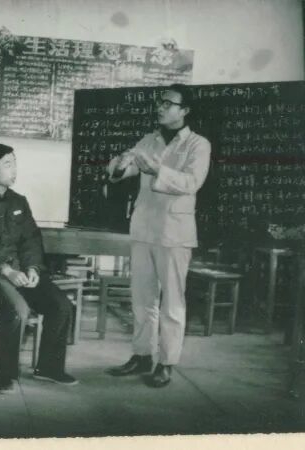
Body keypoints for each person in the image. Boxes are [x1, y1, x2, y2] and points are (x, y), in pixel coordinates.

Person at [105, 84, 211, 388]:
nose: (160, 107)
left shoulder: (198, 144)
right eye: (160, 102)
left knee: (172, 303)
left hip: (174, 233)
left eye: (168, 103)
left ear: (184, 110)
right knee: (142, 299)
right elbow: (120, 173)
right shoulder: (148, 140)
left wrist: (156, 170)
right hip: (143, 229)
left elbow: (192, 182)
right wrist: (120, 166)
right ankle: (141, 355)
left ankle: (166, 363)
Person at [0, 143, 77, 394]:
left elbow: (31, 239)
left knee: (61, 306)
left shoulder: (19, 201)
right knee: (16, 311)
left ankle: (49, 367)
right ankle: (5, 374)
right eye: (7, 164)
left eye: (15, 163)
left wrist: (33, 268)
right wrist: (6, 270)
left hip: (21, 271)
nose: (14, 170)